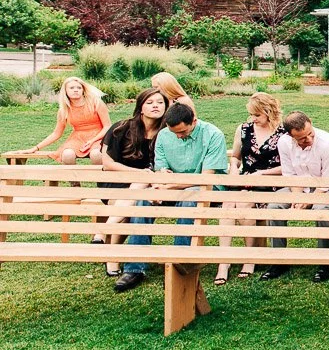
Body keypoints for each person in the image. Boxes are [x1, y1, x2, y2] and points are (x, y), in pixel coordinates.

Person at [113, 103, 228, 293]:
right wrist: (162, 180)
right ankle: (135, 267)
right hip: (172, 186)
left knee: (190, 199)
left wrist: (171, 185)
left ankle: (179, 263)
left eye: (182, 132)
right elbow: (161, 168)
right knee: (144, 200)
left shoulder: (213, 134)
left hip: (207, 188)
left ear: (194, 122)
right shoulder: (165, 135)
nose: (178, 136)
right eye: (174, 132)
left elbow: (207, 177)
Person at [261, 111, 329, 283]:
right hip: (299, 186)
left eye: (310, 134)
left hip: (328, 186)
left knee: (322, 210)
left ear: (311, 122)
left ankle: (324, 263)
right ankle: (279, 260)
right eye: (302, 138)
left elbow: (328, 180)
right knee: (274, 207)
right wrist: (298, 197)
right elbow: (290, 174)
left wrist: (308, 201)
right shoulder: (284, 143)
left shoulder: (328, 143)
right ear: (291, 137)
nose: (309, 139)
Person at [215, 92, 286, 285]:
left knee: (244, 201)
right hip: (245, 180)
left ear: (269, 112)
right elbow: (235, 156)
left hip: (270, 182)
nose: (253, 119)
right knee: (228, 203)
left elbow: (289, 165)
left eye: (257, 115)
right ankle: (224, 261)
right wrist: (233, 168)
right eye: (252, 115)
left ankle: (249, 258)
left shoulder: (283, 132)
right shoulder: (244, 129)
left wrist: (263, 174)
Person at [98, 87, 169, 277]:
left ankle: (104, 237)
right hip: (116, 182)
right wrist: (138, 174)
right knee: (130, 210)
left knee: (135, 204)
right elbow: (107, 163)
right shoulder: (122, 128)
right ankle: (111, 257)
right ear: (140, 107)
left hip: (147, 186)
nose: (156, 106)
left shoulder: (167, 132)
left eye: (160, 102)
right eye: (150, 102)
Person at [19, 77, 110, 164]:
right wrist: (35, 148)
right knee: (67, 155)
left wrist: (93, 140)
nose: (76, 90)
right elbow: (56, 133)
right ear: (65, 91)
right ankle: (75, 180)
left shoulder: (96, 103)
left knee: (96, 155)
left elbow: (107, 126)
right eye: (71, 88)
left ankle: (100, 179)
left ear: (83, 90)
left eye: (79, 87)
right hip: (78, 138)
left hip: (99, 137)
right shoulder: (64, 110)